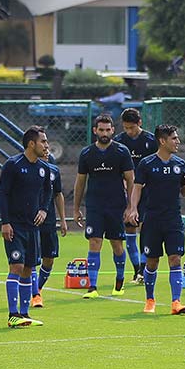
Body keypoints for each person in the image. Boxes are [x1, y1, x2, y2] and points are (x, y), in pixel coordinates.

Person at [127, 124, 185, 315]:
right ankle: (150, 299)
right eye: (174, 138)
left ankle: (176, 302)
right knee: (152, 262)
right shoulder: (147, 164)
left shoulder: (180, 164)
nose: (178, 141)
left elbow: (184, 192)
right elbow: (137, 187)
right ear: (162, 141)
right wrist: (133, 209)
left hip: (173, 219)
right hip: (152, 219)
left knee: (175, 258)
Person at [74, 114, 134, 298]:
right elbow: (80, 182)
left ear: (113, 131)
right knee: (94, 241)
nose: (105, 133)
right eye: (101, 130)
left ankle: (119, 281)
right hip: (95, 206)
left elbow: (131, 180)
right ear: (95, 131)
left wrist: (131, 206)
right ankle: (92, 287)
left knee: (116, 244)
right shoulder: (86, 153)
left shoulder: (122, 152)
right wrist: (76, 208)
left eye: (108, 130)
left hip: (116, 205)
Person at [0, 126, 53, 328]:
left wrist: (44, 210)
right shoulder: (13, 165)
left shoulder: (43, 168)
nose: (46, 145)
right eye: (43, 141)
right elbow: (3, 194)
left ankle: (24, 313)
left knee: (29, 267)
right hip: (15, 226)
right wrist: (5, 222)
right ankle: (13, 314)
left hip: (33, 227)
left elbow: (48, 191)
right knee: (17, 266)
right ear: (32, 144)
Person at [113, 107, 158, 282]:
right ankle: (137, 270)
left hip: (147, 192)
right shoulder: (119, 142)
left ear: (139, 123)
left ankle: (143, 268)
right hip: (126, 191)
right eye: (125, 128)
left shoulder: (150, 141)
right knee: (129, 228)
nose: (129, 132)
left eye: (131, 128)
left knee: (146, 229)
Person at [31, 154, 68, 307]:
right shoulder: (27, 168)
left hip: (49, 220)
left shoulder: (53, 170)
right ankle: (35, 294)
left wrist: (63, 219)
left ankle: (38, 287)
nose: (46, 149)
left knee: (49, 259)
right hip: (30, 219)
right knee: (31, 258)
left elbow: (58, 195)